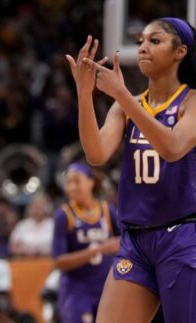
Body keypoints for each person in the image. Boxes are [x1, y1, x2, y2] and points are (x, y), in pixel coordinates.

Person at [66, 17, 196, 322]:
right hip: (135, 240)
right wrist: (85, 95)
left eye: (155, 41)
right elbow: (96, 154)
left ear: (181, 52)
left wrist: (122, 95)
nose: (142, 48)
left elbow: (174, 148)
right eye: (140, 42)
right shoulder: (127, 105)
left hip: (183, 235)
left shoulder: (191, 102)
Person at [52, 163, 120, 323]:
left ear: (91, 182)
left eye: (76, 181)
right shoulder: (64, 215)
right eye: (68, 183)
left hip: (106, 287)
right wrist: (99, 249)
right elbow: (58, 262)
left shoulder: (107, 210)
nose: (72, 187)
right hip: (77, 291)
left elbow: (126, 241)